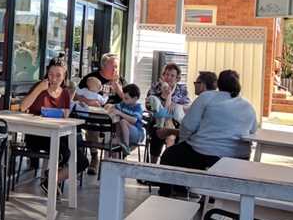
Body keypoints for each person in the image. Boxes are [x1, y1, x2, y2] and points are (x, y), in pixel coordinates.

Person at [158, 69, 256, 198]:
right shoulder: (248, 105)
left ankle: (169, 193)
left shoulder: (207, 97)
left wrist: (184, 140)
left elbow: (188, 126)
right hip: (238, 157)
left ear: (219, 84)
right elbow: (253, 131)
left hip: (205, 152)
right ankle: (208, 197)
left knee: (169, 155)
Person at [20, 59, 87, 193]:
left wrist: (61, 114)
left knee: (82, 161)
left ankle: (51, 180)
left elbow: (65, 116)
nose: (54, 79)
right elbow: (23, 107)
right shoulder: (40, 87)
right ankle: (50, 181)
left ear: (64, 77)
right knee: (64, 153)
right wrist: (39, 89)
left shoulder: (65, 94)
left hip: (57, 134)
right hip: (37, 135)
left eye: (58, 75)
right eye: (51, 74)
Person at [79, 53, 125, 175]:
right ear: (103, 66)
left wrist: (117, 87)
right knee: (91, 124)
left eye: (117, 67)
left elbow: (128, 100)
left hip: (113, 118)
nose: (115, 70)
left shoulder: (120, 80)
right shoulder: (91, 78)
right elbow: (76, 94)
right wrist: (87, 101)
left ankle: (111, 161)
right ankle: (94, 157)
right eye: (113, 66)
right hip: (95, 115)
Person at [145, 63, 192, 162]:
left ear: (177, 78)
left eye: (172, 75)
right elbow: (149, 105)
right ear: (162, 76)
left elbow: (187, 107)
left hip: (176, 121)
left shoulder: (182, 89)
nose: (168, 77)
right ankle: (156, 163)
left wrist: (177, 105)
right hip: (157, 120)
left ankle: (166, 161)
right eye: (166, 74)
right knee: (158, 130)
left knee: (173, 131)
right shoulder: (155, 86)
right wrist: (165, 94)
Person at [109, 83, 145, 154]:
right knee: (118, 120)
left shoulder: (138, 108)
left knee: (123, 121)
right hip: (125, 132)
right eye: (123, 98)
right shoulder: (123, 104)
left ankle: (126, 145)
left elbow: (134, 120)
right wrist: (110, 108)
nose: (124, 100)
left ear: (135, 99)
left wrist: (120, 113)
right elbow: (114, 107)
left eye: (126, 98)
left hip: (136, 134)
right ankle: (118, 140)